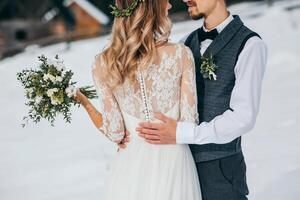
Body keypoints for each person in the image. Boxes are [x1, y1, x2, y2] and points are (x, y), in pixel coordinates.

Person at [137, 0, 268, 199]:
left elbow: (243, 117)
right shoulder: (184, 44)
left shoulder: (250, 44)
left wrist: (185, 133)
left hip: (220, 170)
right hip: (180, 166)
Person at [74, 0, 202, 199]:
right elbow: (189, 122)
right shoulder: (181, 54)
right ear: (152, 8)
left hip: (130, 168)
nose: (169, 6)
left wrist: (85, 102)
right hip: (174, 164)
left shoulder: (103, 63)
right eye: (165, 1)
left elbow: (116, 133)